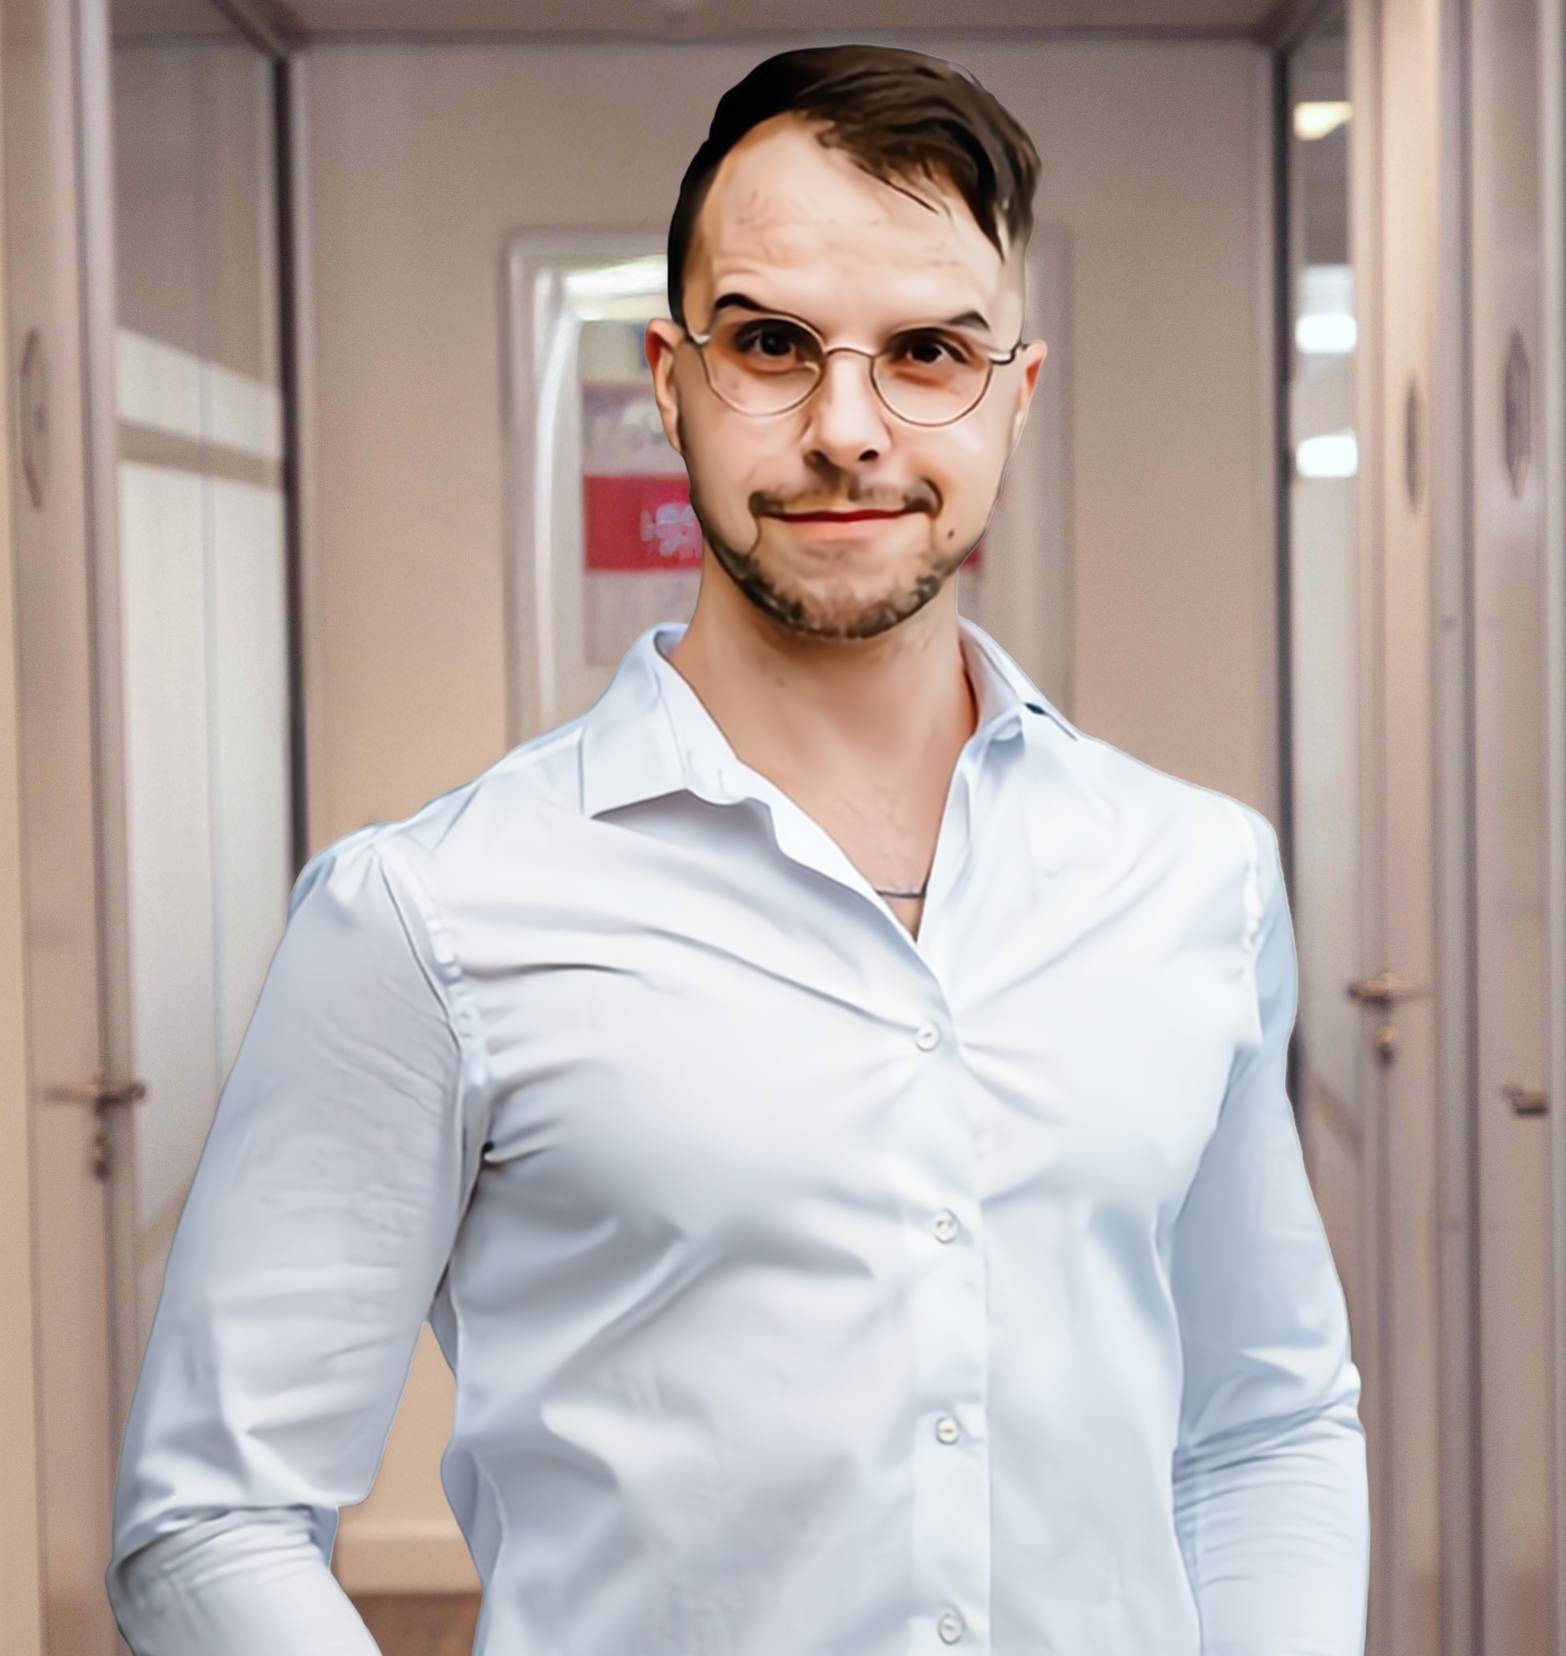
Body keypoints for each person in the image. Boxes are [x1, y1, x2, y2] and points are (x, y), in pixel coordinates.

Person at [107, 44, 1367, 1656]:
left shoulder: (1196, 876)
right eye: (772, 343)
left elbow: (1263, 1427)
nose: (848, 429)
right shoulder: (427, 916)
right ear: (675, 375)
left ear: (1016, 393)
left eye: (928, 352)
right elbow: (208, 1517)